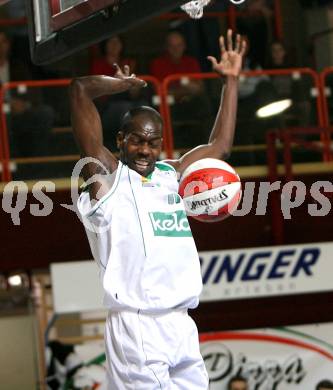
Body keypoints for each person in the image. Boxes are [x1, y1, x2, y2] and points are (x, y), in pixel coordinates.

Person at [70, 29, 246, 389]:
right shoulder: (107, 177)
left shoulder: (172, 175)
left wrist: (230, 81)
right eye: (136, 140)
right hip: (137, 323)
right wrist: (116, 86)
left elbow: (221, 145)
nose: (145, 150)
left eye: (153, 142)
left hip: (181, 320)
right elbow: (78, 91)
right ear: (120, 140)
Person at [150, 30, 212, 148]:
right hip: (170, 106)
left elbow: (200, 88)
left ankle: (208, 148)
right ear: (166, 47)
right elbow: (161, 90)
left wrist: (177, 90)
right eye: (172, 46)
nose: (176, 49)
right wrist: (186, 89)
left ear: (184, 46)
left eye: (179, 45)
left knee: (205, 105)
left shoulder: (191, 62)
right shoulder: (158, 63)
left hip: (192, 104)